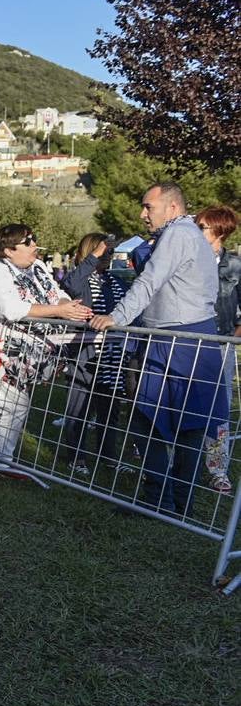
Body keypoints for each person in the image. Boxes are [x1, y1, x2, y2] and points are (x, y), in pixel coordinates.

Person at [88, 183, 224, 516]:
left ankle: (159, 501)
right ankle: (177, 503)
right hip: (193, 337)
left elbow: (150, 281)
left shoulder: (178, 235)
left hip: (176, 340)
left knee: (149, 419)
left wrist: (115, 317)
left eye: (148, 207)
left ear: (172, 207)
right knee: (186, 426)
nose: (142, 214)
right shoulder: (188, 235)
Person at [0, 224, 93, 469]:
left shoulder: (37, 267)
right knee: (10, 406)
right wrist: (59, 311)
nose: (34, 245)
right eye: (27, 242)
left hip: (32, 352)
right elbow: (11, 309)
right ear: (8, 250)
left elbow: (56, 292)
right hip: (1, 350)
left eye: (34, 239)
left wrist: (68, 306)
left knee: (7, 407)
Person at [56, 233, 129, 476]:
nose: (108, 257)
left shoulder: (113, 281)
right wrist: (95, 254)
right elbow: (69, 284)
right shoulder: (80, 279)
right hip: (84, 355)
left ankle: (108, 457)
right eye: (104, 253)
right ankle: (76, 457)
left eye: (110, 253)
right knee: (79, 410)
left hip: (111, 357)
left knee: (110, 411)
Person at [196, 205, 240, 493]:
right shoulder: (189, 259)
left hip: (222, 344)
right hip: (189, 341)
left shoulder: (234, 265)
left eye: (202, 226)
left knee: (219, 408)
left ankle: (217, 469)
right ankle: (180, 465)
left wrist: (235, 336)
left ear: (219, 231)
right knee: (183, 402)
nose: (196, 231)